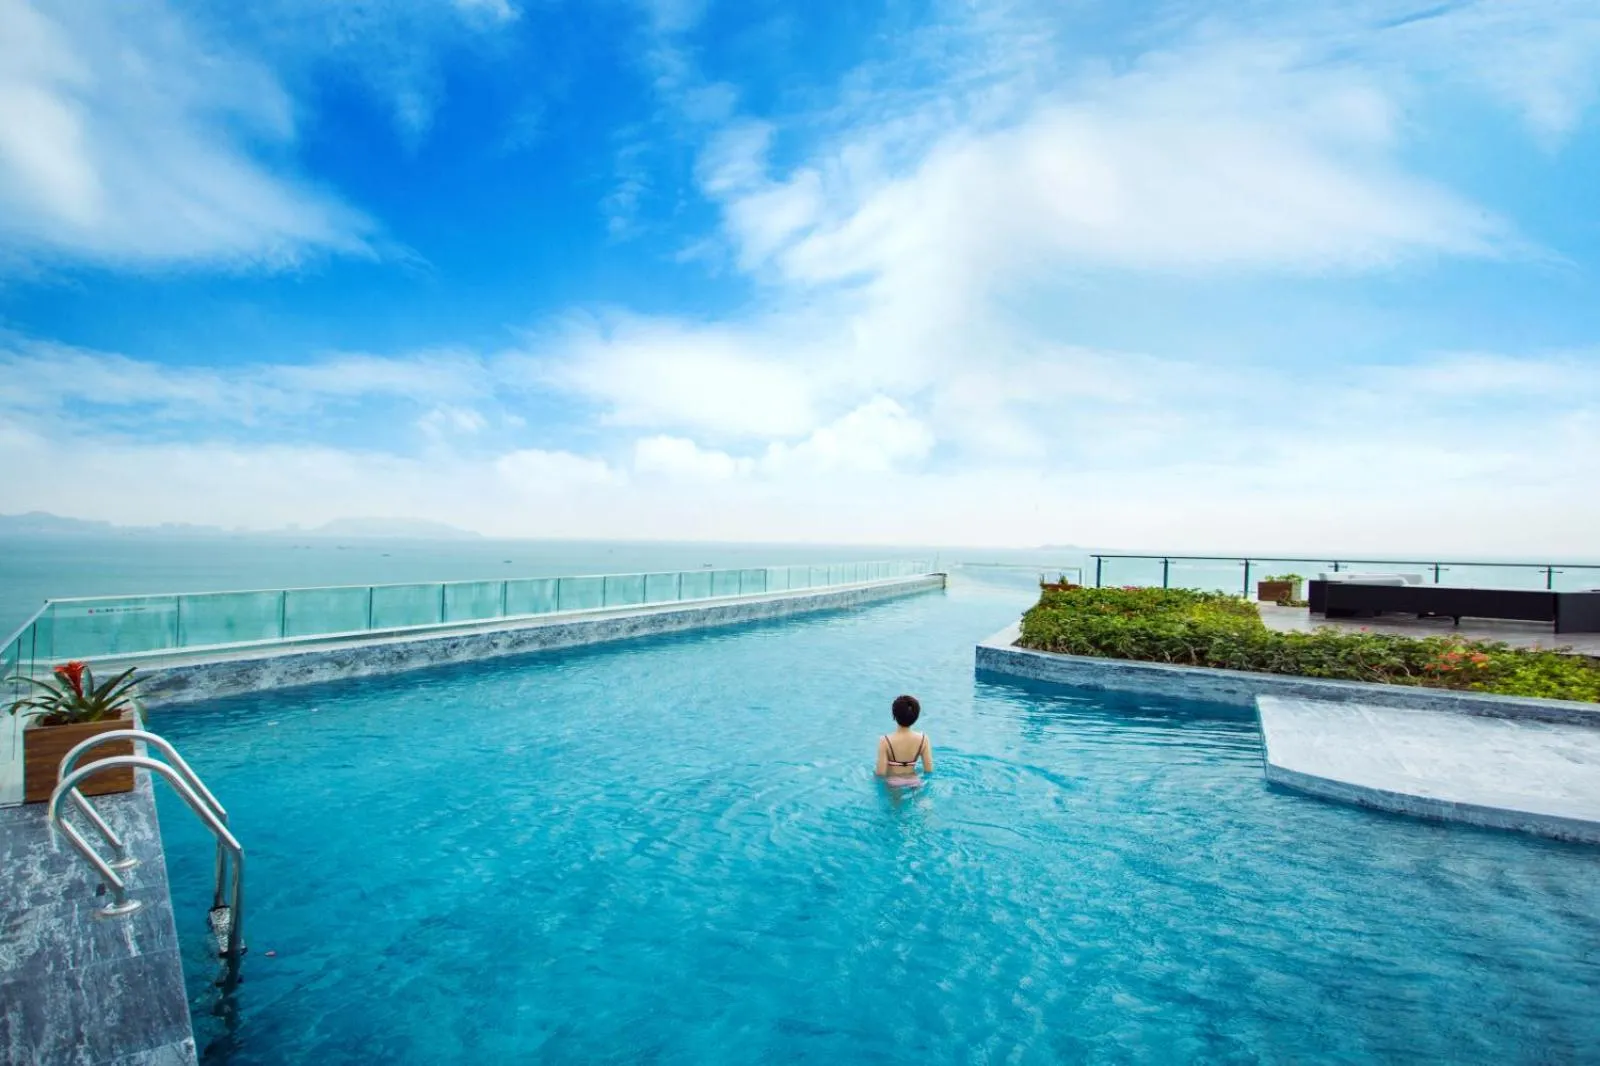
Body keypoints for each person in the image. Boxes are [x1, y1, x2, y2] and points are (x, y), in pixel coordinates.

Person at [876, 694, 934, 786]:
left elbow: (880, 773)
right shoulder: (923, 739)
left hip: (893, 782)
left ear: (894, 715)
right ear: (916, 717)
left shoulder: (885, 741)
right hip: (914, 781)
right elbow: (928, 770)